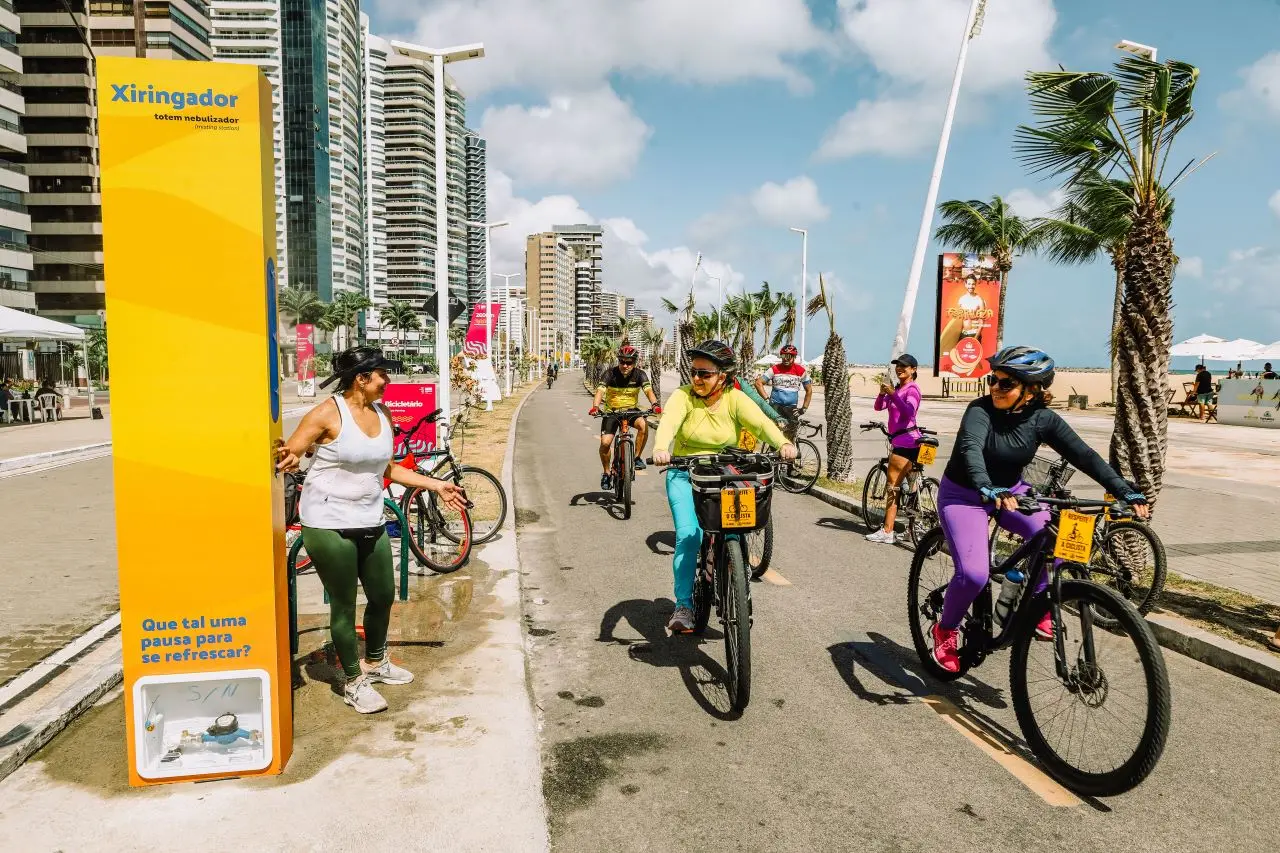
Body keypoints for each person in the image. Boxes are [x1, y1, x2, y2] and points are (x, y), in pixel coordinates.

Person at [929, 346, 1150, 674]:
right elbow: (970, 449)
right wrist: (987, 486)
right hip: (964, 495)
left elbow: (1084, 456)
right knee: (975, 574)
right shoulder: (979, 411)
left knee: (1056, 539)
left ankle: (1038, 606)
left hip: (1012, 493)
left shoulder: (1043, 420)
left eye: (1006, 384)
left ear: (1032, 391)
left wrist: (1124, 491)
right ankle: (945, 629)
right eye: (994, 380)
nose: (995, 388)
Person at [276, 346, 469, 714]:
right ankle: (352, 680)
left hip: (371, 519)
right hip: (329, 523)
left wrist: (435, 485)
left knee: (382, 595)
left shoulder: (383, 413)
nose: (389, 380)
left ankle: (376, 662)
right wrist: (287, 456)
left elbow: (388, 469)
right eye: (382, 374)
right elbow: (293, 453)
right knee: (345, 606)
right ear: (361, 379)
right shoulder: (325, 414)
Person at [653, 340, 797, 633]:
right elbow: (668, 423)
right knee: (689, 535)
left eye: (705, 374)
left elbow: (760, 423)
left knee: (737, 528)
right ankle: (684, 605)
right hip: (685, 471)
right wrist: (660, 447)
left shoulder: (735, 398)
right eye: (694, 372)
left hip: (724, 472)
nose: (697, 379)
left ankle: (736, 567)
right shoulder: (683, 396)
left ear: (723, 376)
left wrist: (782, 442)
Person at [866, 354, 924, 545]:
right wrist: (884, 392)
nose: (900, 369)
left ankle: (887, 530)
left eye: (905, 366)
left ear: (913, 370)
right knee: (912, 487)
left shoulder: (912, 389)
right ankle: (912, 530)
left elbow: (909, 412)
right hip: (906, 441)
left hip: (906, 442)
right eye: (898, 366)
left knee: (893, 487)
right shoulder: (898, 389)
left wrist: (892, 394)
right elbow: (878, 407)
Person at [588, 345, 660, 490]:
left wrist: (655, 404)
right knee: (606, 443)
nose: (625, 365)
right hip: (612, 412)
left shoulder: (640, 374)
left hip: (631, 410)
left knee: (643, 425)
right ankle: (607, 473)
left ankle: (636, 458)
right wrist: (595, 407)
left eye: (629, 362)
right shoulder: (609, 374)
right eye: (622, 362)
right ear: (618, 361)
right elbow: (600, 392)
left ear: (634, 362)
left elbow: (649, 391)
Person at [754, 344, 813, 435]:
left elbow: (809, 390)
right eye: (783, 356)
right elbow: (758, 383)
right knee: (773, 437)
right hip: (775, 407)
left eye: (789, 356)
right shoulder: (774, 369)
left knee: (790, 437)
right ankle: (772, 449)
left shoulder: (800, 371)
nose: (786, 358)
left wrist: (804, 408)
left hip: (791, 409)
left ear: (794, 357)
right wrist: (766, 399)